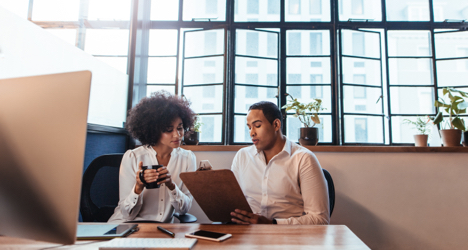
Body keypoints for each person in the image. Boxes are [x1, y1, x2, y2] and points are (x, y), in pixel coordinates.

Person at [230, 101, 330, 225]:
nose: (252, 133)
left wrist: (273, 223)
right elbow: (232, 204)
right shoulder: (242, 156)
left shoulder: (304, 159)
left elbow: (320, 219)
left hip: (289, 237)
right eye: (249, 127)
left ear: (276, 125)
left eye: (257, 125)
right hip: (247, 235)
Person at [108, 91, 197, 223]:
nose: (177, 135)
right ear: (153, 130)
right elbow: (127, 214)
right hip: (126, 226)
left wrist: (171, 186)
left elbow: (184, 210)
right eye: (169, 130)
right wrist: (138, 187)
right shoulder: (132, 157)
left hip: (161, 230)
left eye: (180, 127)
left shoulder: (188, 158)